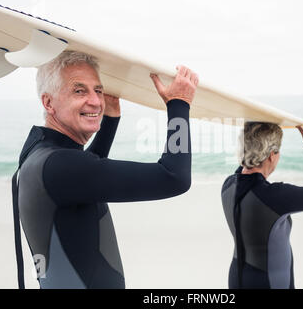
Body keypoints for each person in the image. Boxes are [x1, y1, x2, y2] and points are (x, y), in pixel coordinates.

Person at [13, 50, 198, 289]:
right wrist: (179, 105)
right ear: (48, 102)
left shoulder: (37, 154)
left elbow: (86, 172)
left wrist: (110, 118)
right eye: (79, 91)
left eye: (98, 90)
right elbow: (174, 177)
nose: (95, 101)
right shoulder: (61, 167)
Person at [221, 118, 303, 289]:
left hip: (237, 278)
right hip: (269, 282)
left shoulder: (229, 185)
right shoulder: (274, 196)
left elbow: (244, 170)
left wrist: (250, 134)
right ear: (271, 155)